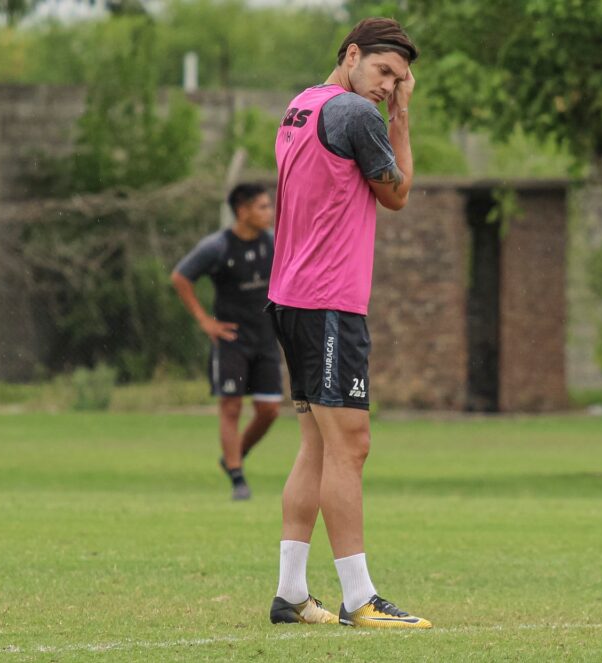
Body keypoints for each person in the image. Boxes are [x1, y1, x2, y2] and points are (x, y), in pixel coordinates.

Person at [264, 17, 430, 629]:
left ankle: (290, 594)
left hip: (290, 296)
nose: (389, 86)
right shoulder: (359, 116)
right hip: (328, 303)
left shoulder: (301, 105)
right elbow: (397, 193)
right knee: (351, 444)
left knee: (316, 445)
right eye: (384, 72)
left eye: (399, 80)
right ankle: (360, 598)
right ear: (352, 55)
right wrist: (402, 119)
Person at [171, 183, 282, 501]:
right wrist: (205, 321)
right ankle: (237, 478)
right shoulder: (217, 247)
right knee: (231, 407)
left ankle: (235, 455)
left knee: (269, 410)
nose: (269, 212)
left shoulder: (274, 243)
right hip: (232, 340)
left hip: (266, 339)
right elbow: (180, 277)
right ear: (242, 211)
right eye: (262, 206)